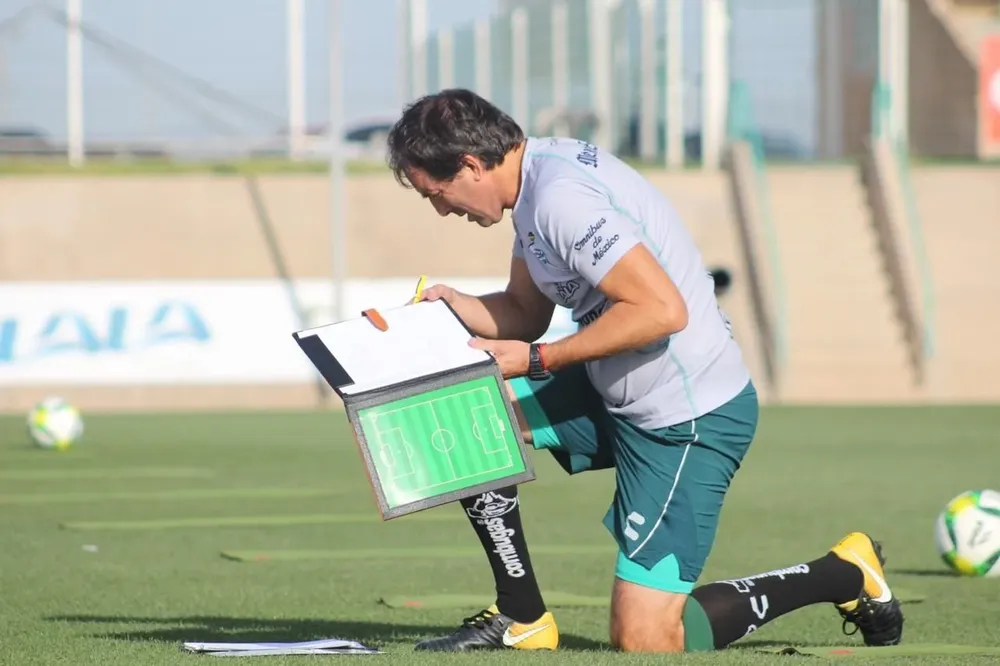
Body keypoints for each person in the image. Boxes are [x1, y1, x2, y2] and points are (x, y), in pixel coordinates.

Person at [385, 88, 904, 653]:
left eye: (437, 193)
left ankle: (843, 573)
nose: (441, 209)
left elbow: (661, 312)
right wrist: (451, 304)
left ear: (470, 165)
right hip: (614, 388)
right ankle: (521, 617)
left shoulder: (560, 199)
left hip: (686, 419)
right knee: (466, 416)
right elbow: (525, 314)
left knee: (646, 638)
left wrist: (536, 361)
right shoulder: (534, 187)